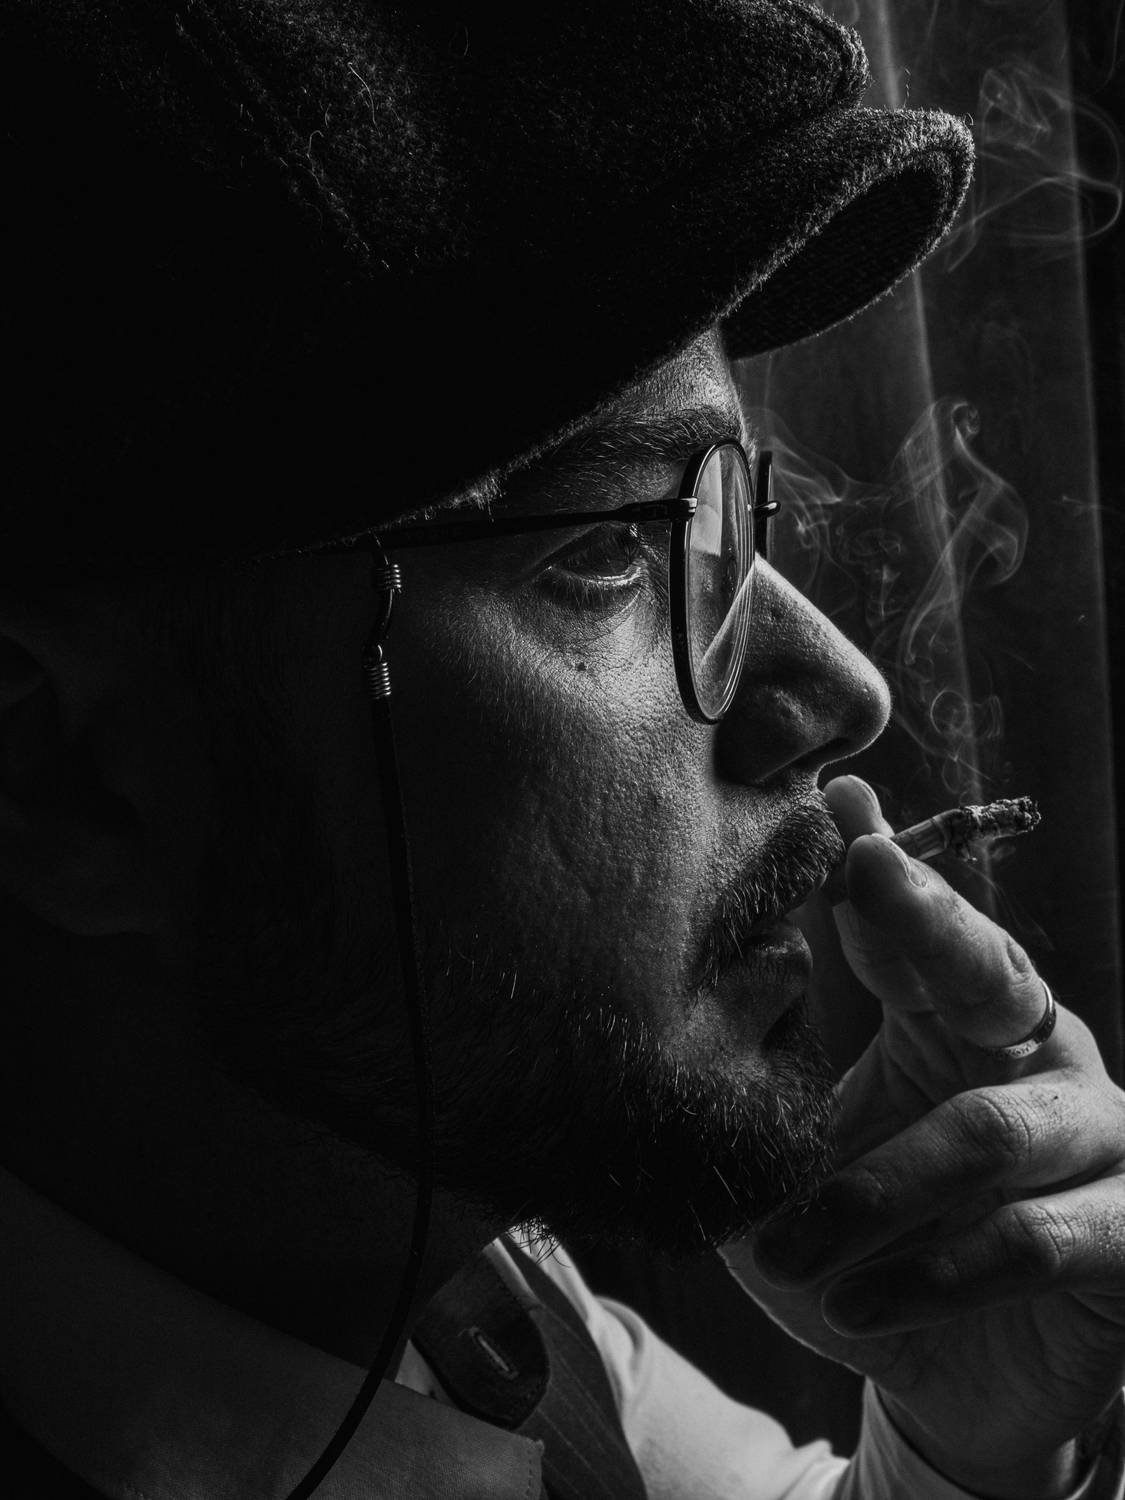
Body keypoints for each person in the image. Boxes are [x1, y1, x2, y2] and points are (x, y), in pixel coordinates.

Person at [2, 0, 1124, 1496]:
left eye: (727, 521)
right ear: (71, 777)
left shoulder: (465, 1297)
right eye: (608, 554)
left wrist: (977, 1441)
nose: (838, 692)